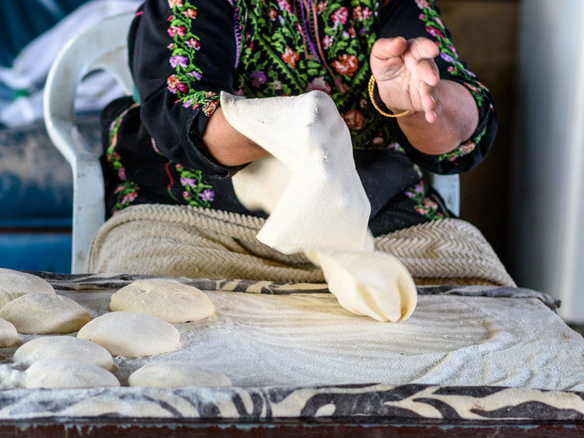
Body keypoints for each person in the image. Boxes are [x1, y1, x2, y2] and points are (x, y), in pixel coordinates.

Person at [89, 0, 499, 281]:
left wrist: (420, 101)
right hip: (198, 215)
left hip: (373, 212)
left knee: (483, 323)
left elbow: (460, 135)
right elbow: (183, 120)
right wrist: (292, 124)